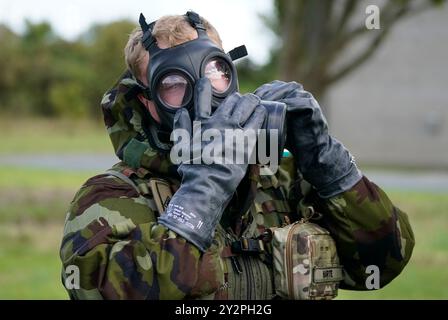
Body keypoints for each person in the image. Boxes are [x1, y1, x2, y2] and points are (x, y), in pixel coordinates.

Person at [59, 11, 415, 300]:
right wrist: (204, 190)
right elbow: (100, 290)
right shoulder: (110, 197)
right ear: (147, 101)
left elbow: (382, 264)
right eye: (173, 85)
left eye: (214, 73)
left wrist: (328, 163)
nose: (203, 94)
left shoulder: (282, 178)